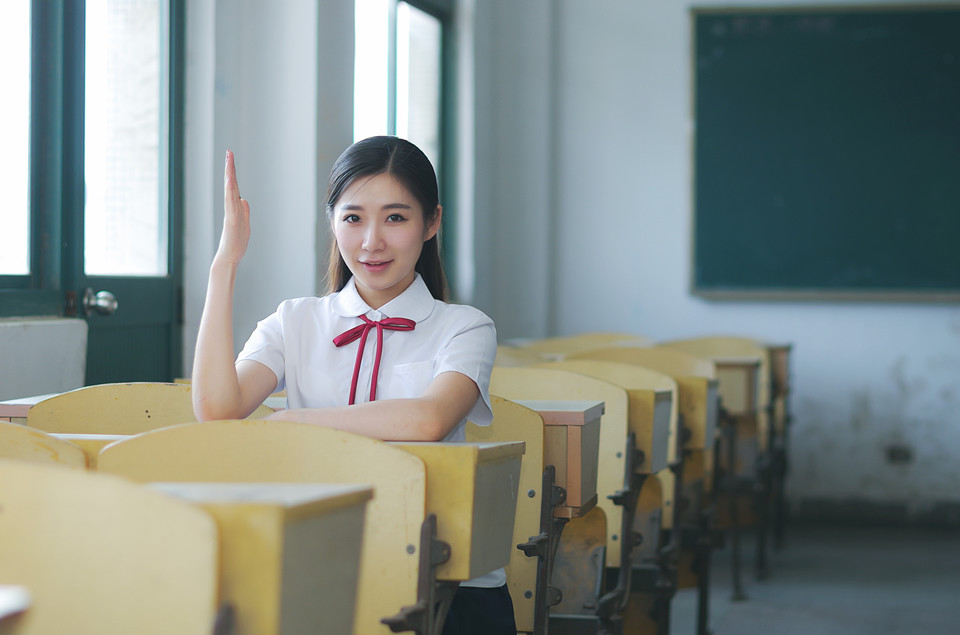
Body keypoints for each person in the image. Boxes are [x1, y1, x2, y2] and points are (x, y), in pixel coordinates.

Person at [191, 136, 516, 635]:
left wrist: (296, 421)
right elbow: (216, 410)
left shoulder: (466, 327)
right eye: (353, 218)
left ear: (432, 223)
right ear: (333, 222)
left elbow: (427, 420)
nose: (371, 242)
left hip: (442, 575)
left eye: (395, 217)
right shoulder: (294, 320)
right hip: (318, 559)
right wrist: (224, 264)